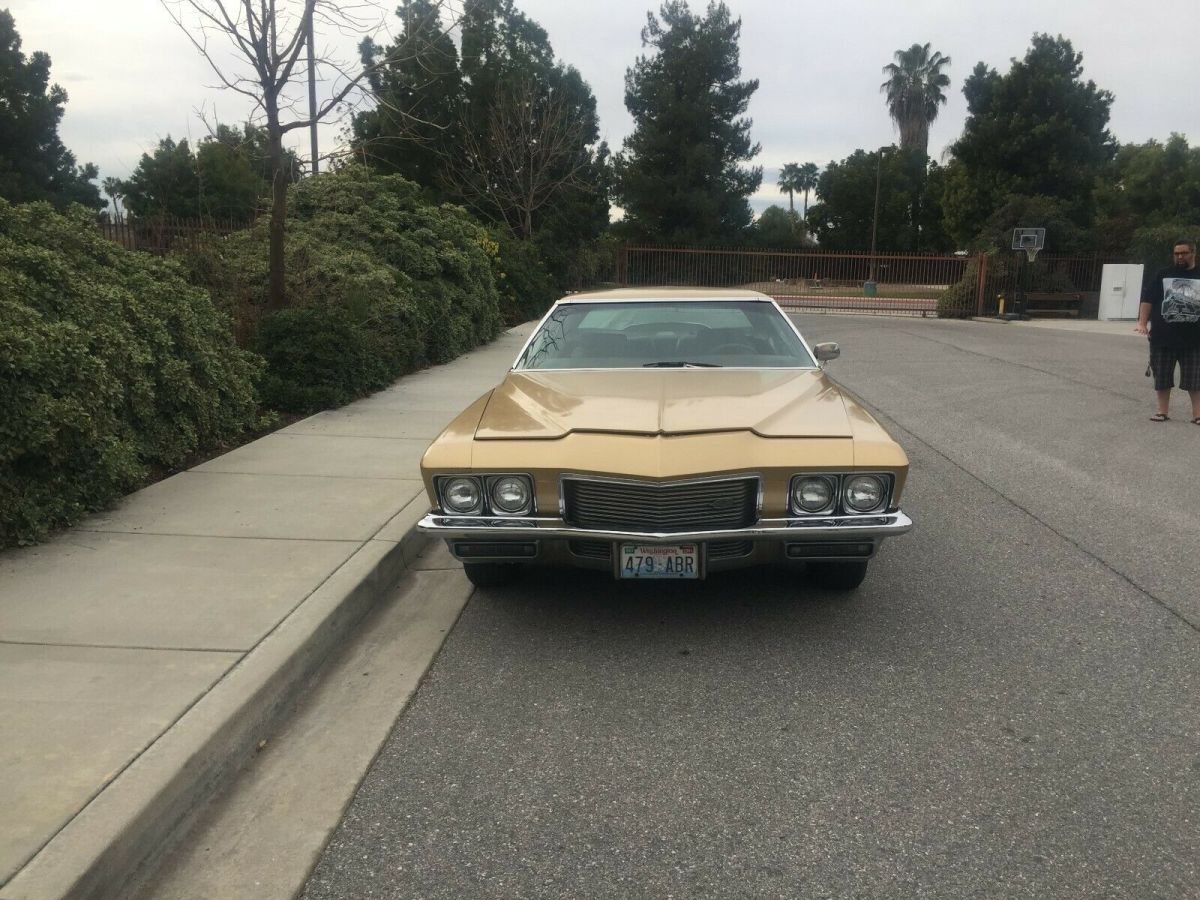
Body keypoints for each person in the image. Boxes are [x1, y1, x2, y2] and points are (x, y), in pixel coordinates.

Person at [1135, 239, 1200, 423]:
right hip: (1163, 337)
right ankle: (1162, 412)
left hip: (1194, 339)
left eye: (1184, 253)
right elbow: (1147, 300)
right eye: (1176, 253)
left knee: (1195, 380)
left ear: (1193, 253)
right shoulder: (1162, 274)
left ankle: (1198, 415)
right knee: (1162, 376)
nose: (1180, 256)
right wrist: (1142, 323)